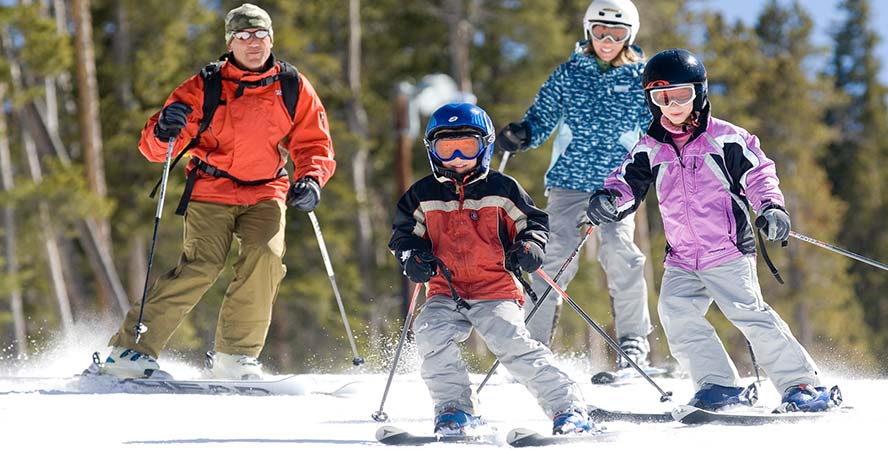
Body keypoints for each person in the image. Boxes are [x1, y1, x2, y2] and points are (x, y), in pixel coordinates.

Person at [586, 48, 840, 412]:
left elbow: (759, 173)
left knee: (749, 314)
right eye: (661, 98)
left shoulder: (727, 138)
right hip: (682, 257)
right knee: (675, 313)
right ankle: (718, 385)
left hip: (728, 250)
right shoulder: (650, 146)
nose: (672, 105)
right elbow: (627, 183)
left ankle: (801, 384)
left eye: (681, 95)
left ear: (699, 93)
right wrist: (609, 199)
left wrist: (770, 207)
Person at [96, 3, 335, 380]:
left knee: (266, 259)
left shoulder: (292, 86)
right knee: (201, 266)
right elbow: (156, 149)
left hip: (267, 189)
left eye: (260, 35)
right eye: (243, 36)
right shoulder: (205, 85)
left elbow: (314, 143)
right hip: (212, 187)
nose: (252, 43)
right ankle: (130, 351)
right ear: (230, 42)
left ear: (271, 38)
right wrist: (164, 128)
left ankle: (236, 358)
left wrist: (311, 178)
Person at [389, 103, 593, 435]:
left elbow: (534, 224)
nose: (456, 156)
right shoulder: (421, 195)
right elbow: (402, 235)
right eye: (446, 147)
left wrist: (530, 248)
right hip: (445, 290)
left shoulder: (502, 189)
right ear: (432, 151)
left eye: (467, 146)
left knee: (511, 343)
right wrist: (413, 257)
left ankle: (567, 408)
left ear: (485, 146)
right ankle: (455, 408)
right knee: (430, 332)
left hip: (496, 288)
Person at [495, 0, 654, 372]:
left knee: (621, 253)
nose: (607, 40)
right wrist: (524, 133)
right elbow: (542, 116)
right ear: (588, 31)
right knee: (552, 257)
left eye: (616, 33)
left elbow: (656, 126)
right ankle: (532, 343)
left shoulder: (639, 77)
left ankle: (633, 339)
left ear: (629, 34)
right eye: (600, 31)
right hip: (568, 181)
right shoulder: (570, 74)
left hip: (617, 184)